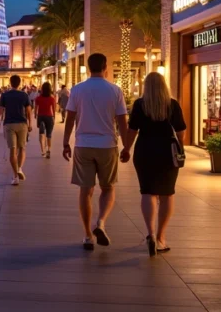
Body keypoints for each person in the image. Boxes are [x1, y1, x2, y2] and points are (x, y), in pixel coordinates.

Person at [62, 54, 128, 251]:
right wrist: (127, 146)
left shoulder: (77, 90)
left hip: (83, 144)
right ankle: (100, 222)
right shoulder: (115, 90)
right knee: (107, 188)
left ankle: (87, 235)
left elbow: (70, 118)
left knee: (86, 190)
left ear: (88, 67)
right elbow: (122, 121)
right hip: (107, 145)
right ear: (105, 66)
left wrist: (66, 143)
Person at [124, 71, 187, 257]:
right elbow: (181, 131)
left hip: (145, 151)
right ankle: (160, 237)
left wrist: (126, 149)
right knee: (167, 193)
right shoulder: (172, 105)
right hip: (167, 151)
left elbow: (132, 130)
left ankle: (150, 233)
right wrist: (180, 147)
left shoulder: (139, 105)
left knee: (148, 191)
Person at [0, 75, 33, 186]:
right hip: (22, 124)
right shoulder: (24, 95)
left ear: (10, 82)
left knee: (12, 151)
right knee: (22, 148)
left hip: (9, 124)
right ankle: (19, 169)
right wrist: (30, 124)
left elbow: (0, 111)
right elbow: (28, 111)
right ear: (19, 83)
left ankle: (15, 176)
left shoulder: (4, 95)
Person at [34, 82, 56, 158]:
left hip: (41, 116)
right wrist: (54, 117)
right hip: (49, 117)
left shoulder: (38, 98)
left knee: (41, 133)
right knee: (49, 135)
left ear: (42, 89)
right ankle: (48, 150)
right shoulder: (52, 98)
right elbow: (53, 109)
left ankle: (43, 150)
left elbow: (36, 108)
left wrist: (35, 115)